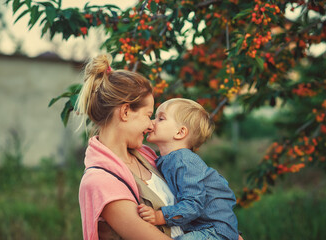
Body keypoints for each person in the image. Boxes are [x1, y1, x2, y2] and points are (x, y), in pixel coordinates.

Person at [76, 54, 184, 240]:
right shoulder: (100, 182)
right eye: (147, 115)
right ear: (125, 112)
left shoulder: (147, 156)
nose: (151, 125)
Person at [138, 98, 241, 240]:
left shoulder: (183, 161)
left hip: (214, 229)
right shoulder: (168, 160)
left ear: (180, 133)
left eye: (160, 118)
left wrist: (159, 216)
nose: (152, 122)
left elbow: (193, 204)